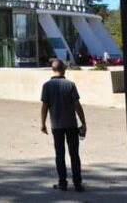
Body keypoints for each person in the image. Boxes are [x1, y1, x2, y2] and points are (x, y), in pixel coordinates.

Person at [40, 58, 87, 192]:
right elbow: (77, 105)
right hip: (71, 124)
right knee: (74, 154)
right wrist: (83, 123)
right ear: (64, 69)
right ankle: (77, 183)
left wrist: (42, 124)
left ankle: (63, 183)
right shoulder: (70, 85)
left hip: (56, 126)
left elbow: (44, 106)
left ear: (52, 69)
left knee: (59, 154)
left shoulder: (47, 86)